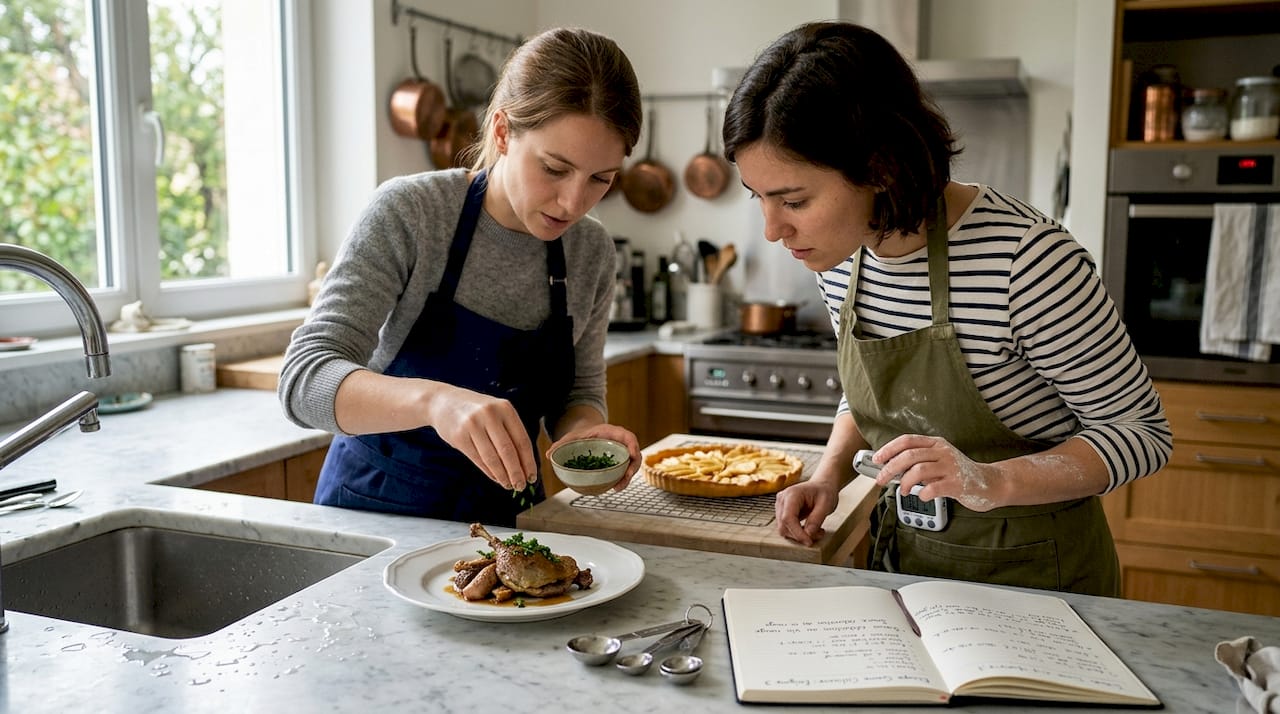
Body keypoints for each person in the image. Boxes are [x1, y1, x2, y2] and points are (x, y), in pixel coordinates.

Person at [722, 21, 1172, 596]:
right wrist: (830, 474)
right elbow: (870, 396)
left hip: (1039, 576)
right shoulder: (838, 257)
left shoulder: (1027, 261)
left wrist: (987, 481)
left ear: (880, 168)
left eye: (794, 200)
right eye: (758, 197)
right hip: (907, 563)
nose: (771, 229)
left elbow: (1141, 434)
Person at [279, 27, 644, 527]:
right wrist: (435, 402)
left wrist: (585, 432)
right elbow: (303, 380)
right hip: (375, 517)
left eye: (600, 179)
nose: (573, 202)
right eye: (555, 169)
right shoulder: (413, 213)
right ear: (501, 132)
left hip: (508, 525)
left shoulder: (590, 251)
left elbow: (578, 392)